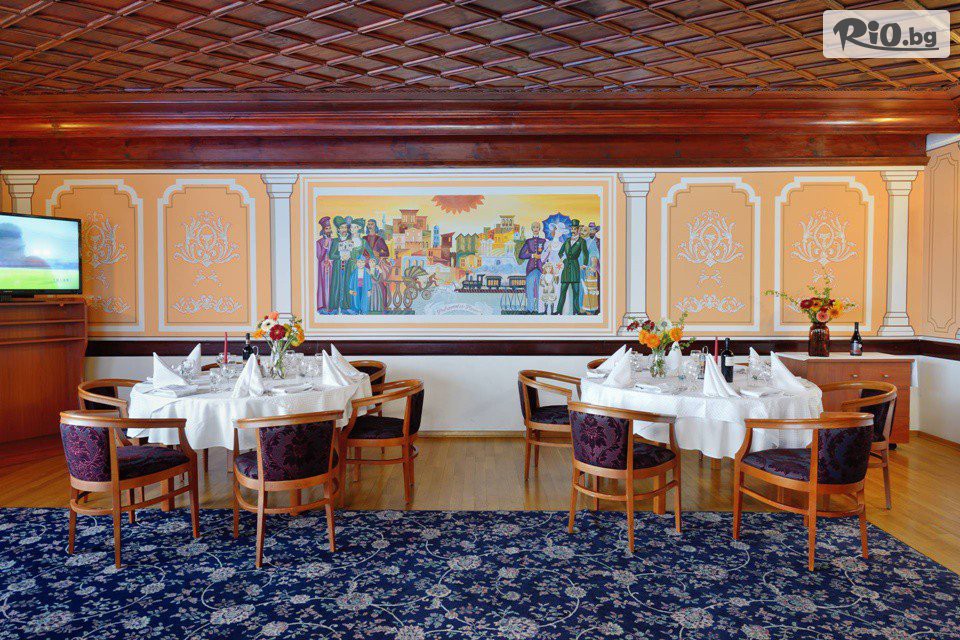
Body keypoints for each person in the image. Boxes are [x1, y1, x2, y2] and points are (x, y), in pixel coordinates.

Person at [555, 219, 588, 315]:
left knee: (576, 291)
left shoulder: (582, 241)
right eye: (572, 229)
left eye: (575, 229)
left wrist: (584, 264)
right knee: (563, 291)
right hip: (566, 269)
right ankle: (558, 311)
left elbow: (586, 253)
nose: (573, 231)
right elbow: (560, 253)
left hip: (575, 267)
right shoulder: (567, 240)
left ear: (578, 230)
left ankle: (576, 311)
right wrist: (563, 259)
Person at [327, 216, 355, 314]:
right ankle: (335, 306)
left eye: (345, 227)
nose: (344, 229)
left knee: (347, 284)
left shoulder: (351, 239)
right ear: (338, 229)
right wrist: (340, 256)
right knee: (337, 285)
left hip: (348, 266)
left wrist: (350, 256)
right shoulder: (335, 241)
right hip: (338, 266)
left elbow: (354, 254)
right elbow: (331, 255)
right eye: (342, 228)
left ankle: (346, 306)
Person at [517, 220, 547, 313]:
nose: (535, 229)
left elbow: (547, 254)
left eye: (537, 227)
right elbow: (521, 255)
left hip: (541, 268)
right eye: (534, 227)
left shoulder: (544, 241)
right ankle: (529, 309)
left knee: (540, 289)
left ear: (539, 229)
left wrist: (541, 256)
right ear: (531, 229)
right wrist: (532, 255)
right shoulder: (528, 241)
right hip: (530, 268)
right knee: (529, 289)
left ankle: (539, 308)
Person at [315, 216, 333, 314]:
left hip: (332, 266)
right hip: (323, 267)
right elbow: (319, 257)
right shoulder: (319, 242)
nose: (328, 230)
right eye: (326, 228)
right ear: (323, 230)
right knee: (324, 285)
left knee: (332, 285)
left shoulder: (334, 241)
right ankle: (324, 306)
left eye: (329, 228)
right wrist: (325, 247)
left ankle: (332, 305)